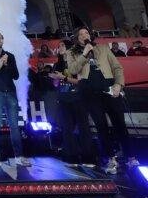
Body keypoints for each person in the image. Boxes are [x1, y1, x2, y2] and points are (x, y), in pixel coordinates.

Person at [66, 27, 139, 173]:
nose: (84, 35)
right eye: (80, 34)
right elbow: (73, 70)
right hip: (89, 92)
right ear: (76, 38)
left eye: (86, 33)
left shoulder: (103, 48)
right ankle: (111, 159)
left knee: (120, 124)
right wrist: (85, 53)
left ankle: (130, 157)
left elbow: (117, 67)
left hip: (110, 88)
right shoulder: (71, 52)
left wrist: (119, 84)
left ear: (90, 35)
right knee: (101, 126)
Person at [0, 32, 31, 167]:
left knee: (14, 126)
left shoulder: (10, 56)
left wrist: (7, 64)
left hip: (11, 94)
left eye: (1, 38)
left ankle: (19, 156)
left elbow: (16, 76)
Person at [49, 40, 96, 167]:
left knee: (83, 128)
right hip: (64, 99)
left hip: (79, 97)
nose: (60, 48)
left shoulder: (77, 62)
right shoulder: (57, 64)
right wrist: (56, 78)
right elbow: (55, 84)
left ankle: (88, 158)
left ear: (69, 47)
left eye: (63, 45)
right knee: (67, 129)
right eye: (58, 47)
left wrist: (64, 78)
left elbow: (81, 82)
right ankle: (72, 157)